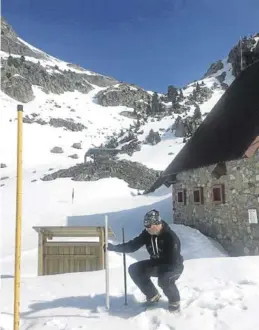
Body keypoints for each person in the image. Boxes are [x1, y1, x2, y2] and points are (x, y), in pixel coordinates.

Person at [106, 209, 184, 312]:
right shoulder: (148, 234)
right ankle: (153, 295)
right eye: (145, 226)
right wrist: (114, 248)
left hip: (174, 266)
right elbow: (133, 245)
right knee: (135, 269)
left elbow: (172, 261)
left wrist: (158, 270)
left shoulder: (171, 238)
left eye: (148, 226)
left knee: (164, 280)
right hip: (157, 263)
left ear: (156, 224)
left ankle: (175, 302)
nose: (147, 229)